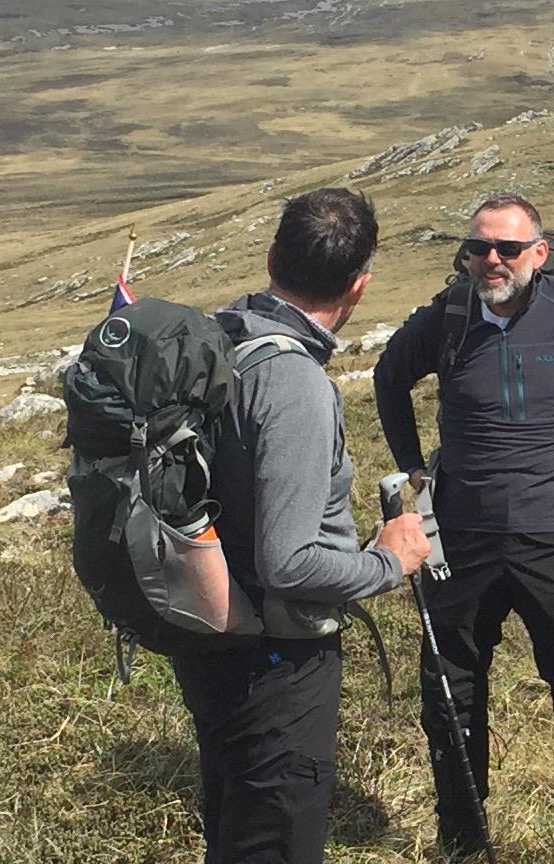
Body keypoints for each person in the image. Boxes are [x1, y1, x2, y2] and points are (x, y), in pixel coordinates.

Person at [373, 194, 554, 861]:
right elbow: (388, 377)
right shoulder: (447, 314)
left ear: (538, 252)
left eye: (507, 248)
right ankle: (463, 841)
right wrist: (412, 467)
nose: (491, 260)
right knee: (451, 696)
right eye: (478, 248)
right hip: (460, 535)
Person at [172, 187, 431, 864]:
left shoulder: (225, 338)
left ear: (271, 259)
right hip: (276, 662)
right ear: (359, 286)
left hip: (210, 630)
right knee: (274, 837)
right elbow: (289, 561)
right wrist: (389, 562)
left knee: (235, 825)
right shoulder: (293, 382)